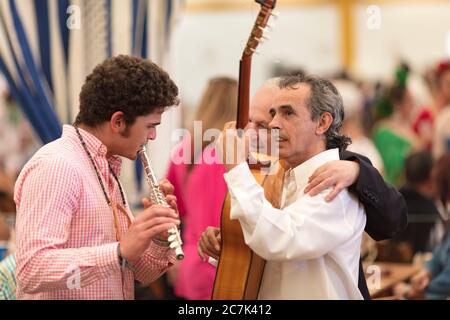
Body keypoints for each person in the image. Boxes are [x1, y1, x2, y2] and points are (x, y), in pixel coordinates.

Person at [199, 77, 408, 299]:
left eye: (288, 113)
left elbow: (281, 240)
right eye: (273, 114)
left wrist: (237, 170)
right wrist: (233, 245)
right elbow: (277, 260)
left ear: (322, 123)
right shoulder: (283, 176)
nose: (273, 124)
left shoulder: (335, 183)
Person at [14, 55, 181, 300]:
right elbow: (32, 270)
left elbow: (138, 273)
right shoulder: (58, 166)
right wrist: (119, 252)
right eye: (150, 126)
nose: (153, 136)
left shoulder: (106, 167)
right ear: (118, 121)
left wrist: (157, 238)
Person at [165, 77, 238, 300]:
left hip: (190, 263)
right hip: (225, 266)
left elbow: (171, 208)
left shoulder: (183, 149)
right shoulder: (231, 155)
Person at [394, 153, 450, 300]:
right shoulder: (434, 210)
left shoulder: (392, 201)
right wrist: (428, 271)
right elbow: (441, 252)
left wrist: (412, 290)